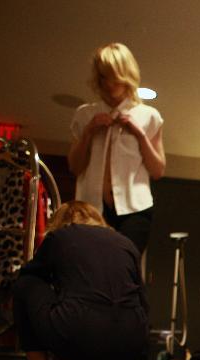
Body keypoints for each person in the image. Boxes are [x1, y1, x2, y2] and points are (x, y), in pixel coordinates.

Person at [9, 201, 149, 360]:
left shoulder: (60, 237)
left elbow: (31, 274)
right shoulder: (126, 243)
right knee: (111, 308)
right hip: (133, 342)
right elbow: (143, 302)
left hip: (78, 332)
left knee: (25, 283)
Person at [68, 42, 165, 255]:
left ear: (124, 74)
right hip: (91, 208)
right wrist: (89, 131)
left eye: (112, 76)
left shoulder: (148, 116)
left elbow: (158, 170)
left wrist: (139, 134)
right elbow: (75, 167)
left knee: (121, 265)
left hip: (135, 209)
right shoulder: (84, 115)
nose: (108, 84)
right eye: (102, 77)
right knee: (87, 263)